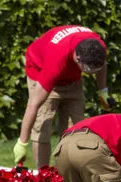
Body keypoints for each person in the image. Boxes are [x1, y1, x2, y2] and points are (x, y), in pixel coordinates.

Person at [14, 25, 111, 168]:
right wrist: (22, 142)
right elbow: (33, 104)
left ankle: (67, 174)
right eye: (90, 69)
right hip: (40, 69)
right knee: (43, 124)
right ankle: (43, 175)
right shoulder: (56, 58)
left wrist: (103, 91)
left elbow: (101, 66)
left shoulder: (99, 48)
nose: (92, 73)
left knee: (76, 129)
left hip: (72, 77)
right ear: (78, 58)